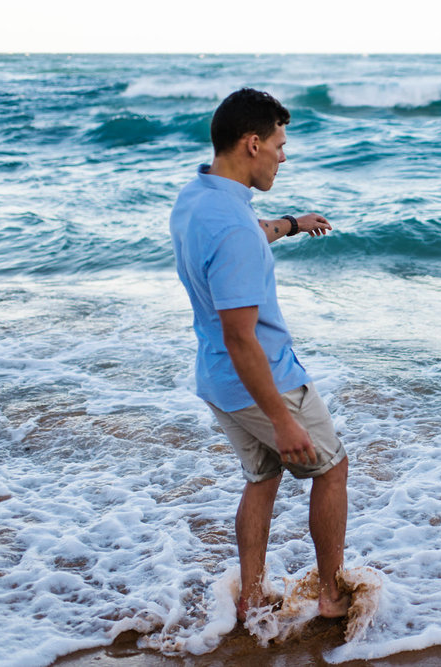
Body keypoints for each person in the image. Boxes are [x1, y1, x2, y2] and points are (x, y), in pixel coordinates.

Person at [169, 88, 349, 622]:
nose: (283, 155)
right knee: (332, 469)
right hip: (264, 378)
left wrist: (292, 224)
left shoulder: (197, 199)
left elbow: (249, 232)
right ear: (253, 144)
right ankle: (332, 596)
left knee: (262, 478)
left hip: (217, 381)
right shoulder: (234, 228)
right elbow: (242, 336)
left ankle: (250, 597)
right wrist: (280, 418)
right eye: (279, 144)